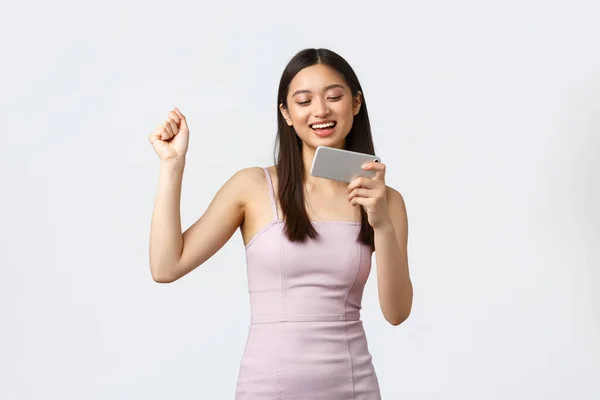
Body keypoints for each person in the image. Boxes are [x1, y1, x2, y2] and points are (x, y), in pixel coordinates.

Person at [148, 48, 413, 399]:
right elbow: (166, 266)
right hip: (267, 389)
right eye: (304, 101)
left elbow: (396, 313)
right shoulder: (253, 187)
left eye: (334, 97)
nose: (321, 111)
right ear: (286, 114)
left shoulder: (386, 200)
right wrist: (172, 165)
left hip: (354, 388)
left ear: (356, 104)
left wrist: (381, 223)